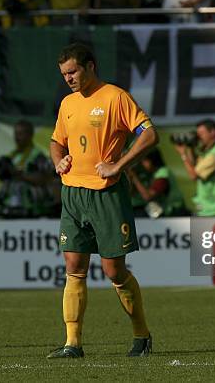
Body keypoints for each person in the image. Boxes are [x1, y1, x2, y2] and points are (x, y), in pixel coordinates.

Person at [48, 42, 157, 358]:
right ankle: (73, 343)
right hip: (72, 193)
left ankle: (141, 335)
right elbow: (57, 142)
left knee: (114, 272)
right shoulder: (68, 103)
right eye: (64, 74)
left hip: (107, 194)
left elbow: (149, 135)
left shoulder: (115, 97)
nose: (68, 79)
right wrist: (60, 161)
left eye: (73, 72)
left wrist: (118, 165)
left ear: (90, 66)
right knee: (73, 266)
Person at [174, 119, 215, 216]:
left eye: (201, 133)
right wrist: (190, 148)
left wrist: (183, 154)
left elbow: (194, 175)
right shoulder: (210, 151)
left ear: (213, 132)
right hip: (212, 208)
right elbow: (196, 166)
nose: (199, 137)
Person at [5, 119, 59, 218]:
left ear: (30, 135)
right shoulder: (13, 155)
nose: (17, 137)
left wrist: (21, 175)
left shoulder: (38, 155)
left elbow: (46, 179)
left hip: (32, 208)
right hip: (12, 205)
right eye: (16, 134)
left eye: (21, 134)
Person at [127, 148, 186, 218]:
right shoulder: (154, 173)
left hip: (175, 212)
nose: (142, 164)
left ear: (152, 160)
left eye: (145, 160)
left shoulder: (163, 175)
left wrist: (134, 177)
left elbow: (148, 196)